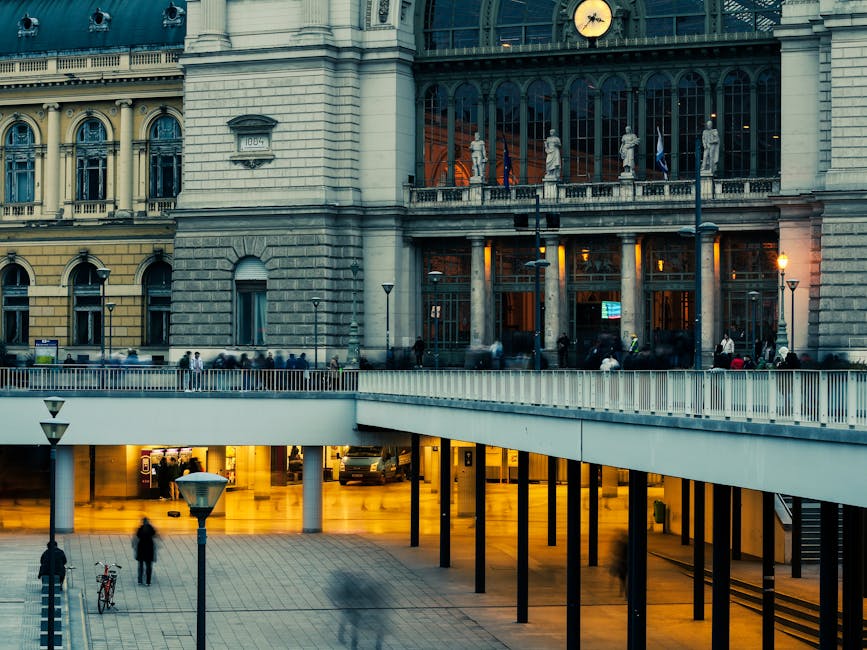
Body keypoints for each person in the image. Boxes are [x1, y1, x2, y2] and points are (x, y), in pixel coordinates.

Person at [134, 517, 157, 586]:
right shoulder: (151, 529)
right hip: (149, 551)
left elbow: (137, 535)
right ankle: (148, 581)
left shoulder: (140, 529)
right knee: (148, 567)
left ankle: (140, 580)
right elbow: (154, 534)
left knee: (140, 566)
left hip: (141, 550)